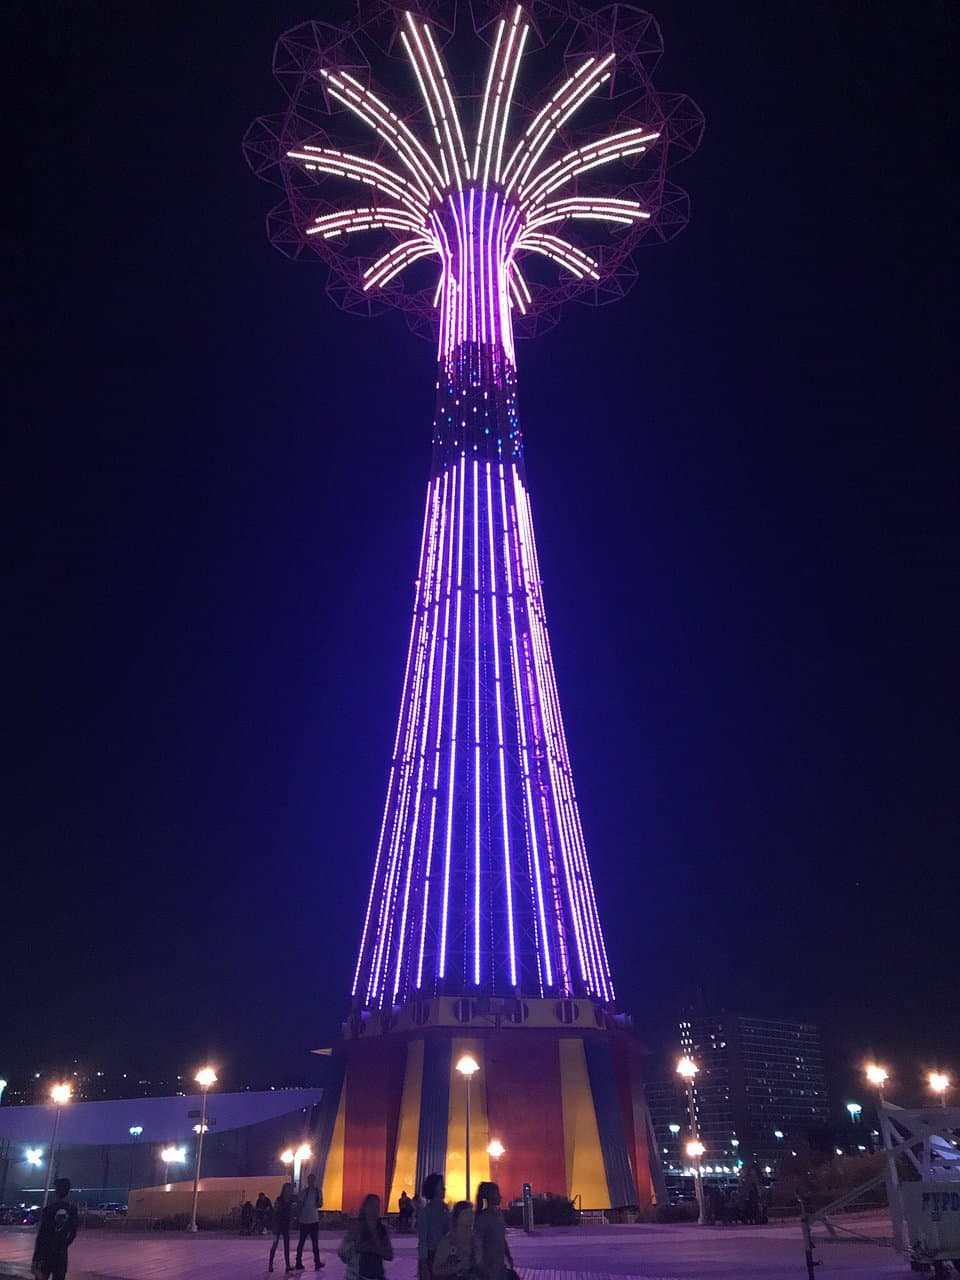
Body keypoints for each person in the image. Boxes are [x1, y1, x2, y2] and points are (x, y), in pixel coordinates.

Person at [31, 1177, 79, 1280]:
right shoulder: (72, 1210)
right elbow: (73, 1233)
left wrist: (36, 1258)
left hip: (45, 1254)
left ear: (56, 1191)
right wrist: (63, 1244)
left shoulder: (49, 1209)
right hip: (61, 1255)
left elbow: (42, 1235)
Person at [339, 1194, 393, 1280]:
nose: (374, 1210)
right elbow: (343, 1255)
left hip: (377, 1275)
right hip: (358, 1275)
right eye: (371, 1206)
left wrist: (376, 1248)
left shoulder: (381, 1229)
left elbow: (389, 1255)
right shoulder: (357, 1228)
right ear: (365, 1208)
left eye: (376, 1207)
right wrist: (353, 1242)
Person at [474, 1183, 513, 1280]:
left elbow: (502, 1239)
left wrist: (508, 1256)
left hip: (499, 1265)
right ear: (490, 1196)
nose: (500, 1196)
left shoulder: (499, 1215)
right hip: (488, 1267)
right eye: (497, 1193)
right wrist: (481, 1267)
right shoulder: (483, 1218)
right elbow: (478, 1244)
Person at [432, 1201, 479, 1280]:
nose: (471, 1217)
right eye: (466, 1213)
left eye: (472, 1213)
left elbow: (480, 1264)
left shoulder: (475, 1240)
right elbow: (436, 1271)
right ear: (457, 1217)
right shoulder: (448, 1242)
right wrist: (457, 1267)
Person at [416, 1173, 449, 1280]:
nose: (444, 1188)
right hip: (433, 1256)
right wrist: (424, 1263)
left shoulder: (446, 1209)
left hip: (448, 1254)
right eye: (441, 1186)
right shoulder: (426, 1212)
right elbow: (423, 1240)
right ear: (434, 1188)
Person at [295, 1173, 325, 1271]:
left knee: (310, 1242)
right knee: (307, 1242)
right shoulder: (307, 1192)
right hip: (307, 1220)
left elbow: (320, 1204)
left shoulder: (315, 1192)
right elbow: (300, 1204)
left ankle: (314, 1262)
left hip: (311, 1220)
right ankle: (303, 1262)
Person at [269, 1181, 296, 1273]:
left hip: (286, 1225)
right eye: (288, 1189)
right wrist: (274, 1227)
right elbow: (275, 1212)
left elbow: (291, 1213)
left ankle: (287, 1265)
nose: (289, 1191)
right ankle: (270, 1264)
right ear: (284, 1190)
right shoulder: (279, 1199)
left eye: (290, 1189)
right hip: (278, 1224)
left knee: (286, 1245)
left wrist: (291, 1221)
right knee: (275, 1244)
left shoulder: (291, 1201)